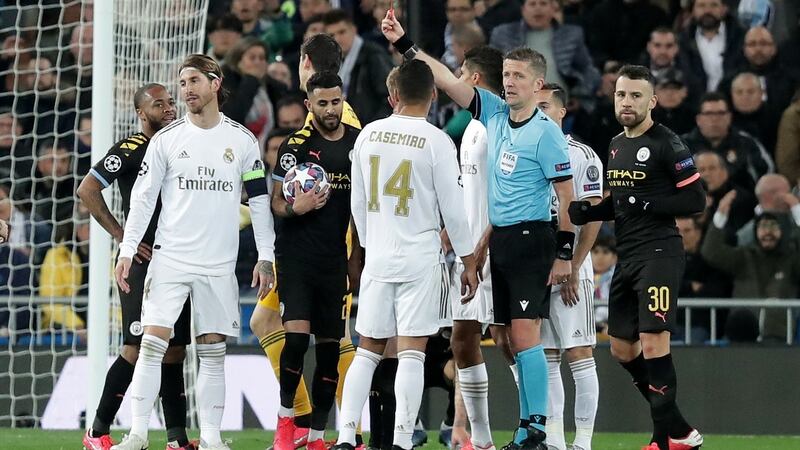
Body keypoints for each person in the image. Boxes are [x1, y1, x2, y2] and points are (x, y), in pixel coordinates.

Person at [381, 10, 577, 450]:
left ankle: (538, 430)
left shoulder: (548, 135)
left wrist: (564, 254)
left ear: (538, 85)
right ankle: (527, 428)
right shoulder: (492, 111)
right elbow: (449, 81)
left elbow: (568, 199)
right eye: (506, 74)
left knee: (525, 337)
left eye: (519, 76)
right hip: (502, 239)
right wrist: (405, 44)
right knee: (506, 338)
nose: (509, 82)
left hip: (532, 239)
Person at [110, 54, 275, 450]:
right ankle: (136, 434)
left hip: (218, 262)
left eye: (194, 81)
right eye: (182, 83)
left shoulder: (243, 141)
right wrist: (127, 250)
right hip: (171, 258)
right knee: (152, 343)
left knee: (213, 350)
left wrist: (266, 255)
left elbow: (259, 201)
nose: (186, 90)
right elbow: (143, 201)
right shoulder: (167, 140)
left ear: (215, 83)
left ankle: (213, 437)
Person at [333, 58, 479, 450]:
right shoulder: (437, 141)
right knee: (412, 353)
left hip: (379, 255)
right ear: (433, 95)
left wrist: (368, 245)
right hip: (419, 257)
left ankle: (347, 436)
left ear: (393, 95)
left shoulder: (368, 135)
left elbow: (358, 204)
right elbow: (454, 210)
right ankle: (400, 441)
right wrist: (469, 262)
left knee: (368, 350)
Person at [567, 65, 704, 450]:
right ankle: (680, 429)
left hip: (660, 253)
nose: (627, 102)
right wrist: (591, 213)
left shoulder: (667, 143)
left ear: (652, 102)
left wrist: (647, 203)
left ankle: (663, 440)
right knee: (622, 349)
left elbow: (695, 199)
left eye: (636, 96)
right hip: (628, 256)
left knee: (654, 342)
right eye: (621, 95)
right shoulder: (615, 144)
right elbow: (622, 204)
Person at [248, 32, 364, 450]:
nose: (329, 109)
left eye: (333, 101)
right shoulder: (299, 140)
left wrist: (356, 256)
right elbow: (281, 195)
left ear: (307, 64)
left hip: (338, 246)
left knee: (337, 342)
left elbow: (356, 196)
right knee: (277, 327)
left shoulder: (350, 131)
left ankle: (343, 429)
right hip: (300, 251)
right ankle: (295, 421)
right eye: (323, 103)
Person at [77, 83, 197, 450]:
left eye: (170, 102)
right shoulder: (130, 149)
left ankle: (176, 439)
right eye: (158, 104)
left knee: (175, 349)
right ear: (142, 113)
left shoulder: (181, 145)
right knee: (135, 345)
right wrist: (121, 234)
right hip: (141, 263)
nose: (168, 108)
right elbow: (87, 190)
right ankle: (96, 433)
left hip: (176, 258)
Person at [535, 83, 602, 450]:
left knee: (579, 353)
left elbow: (592, 217)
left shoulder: (583, 155)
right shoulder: (530, 149)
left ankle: (585, 442)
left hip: (573, 267)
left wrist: (574, 265)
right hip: (539, 267)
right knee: (547, 356)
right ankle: (557, 442)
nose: (540, 112)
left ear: (562, 112)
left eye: (546, 106)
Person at [446, 45, 507, 450]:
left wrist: (486, 237)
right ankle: (479, 439)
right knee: (463, 340)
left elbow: (508, 192)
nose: (455, 77)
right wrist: (453, 232)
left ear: (475, 80)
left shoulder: (499, 127)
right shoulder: (469, 128)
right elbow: (467, 190)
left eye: (461, 72)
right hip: (468, 254)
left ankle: (543, 429)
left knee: (512, 341)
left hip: (495, 251)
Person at [702, 190, 800, 343]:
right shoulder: (744, 257)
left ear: (783, 231)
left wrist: (798, 213)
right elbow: (711, 252)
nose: (768, 232)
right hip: (742, 335)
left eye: (773, 226)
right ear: (755, 231)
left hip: (778, 338)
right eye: (763, 226)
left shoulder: (792, 260)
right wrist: (720, 215)